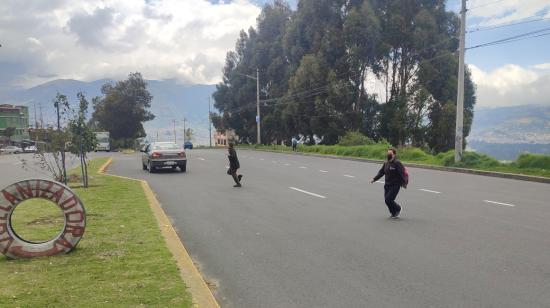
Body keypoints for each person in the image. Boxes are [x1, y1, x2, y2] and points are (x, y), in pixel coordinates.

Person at [371, 148, 407, 219]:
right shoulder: (386, 163)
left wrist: (404, 182)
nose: (389, 154)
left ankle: (398, 208)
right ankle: (393, 213)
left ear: (394, 155)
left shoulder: (397, 163)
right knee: (386, 201)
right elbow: (381, 172)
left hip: (395, 185)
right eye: (388, 153)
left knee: (389, 199)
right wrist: (374, 179)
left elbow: (402, 173)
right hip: (387, 185)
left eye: (390, 153)